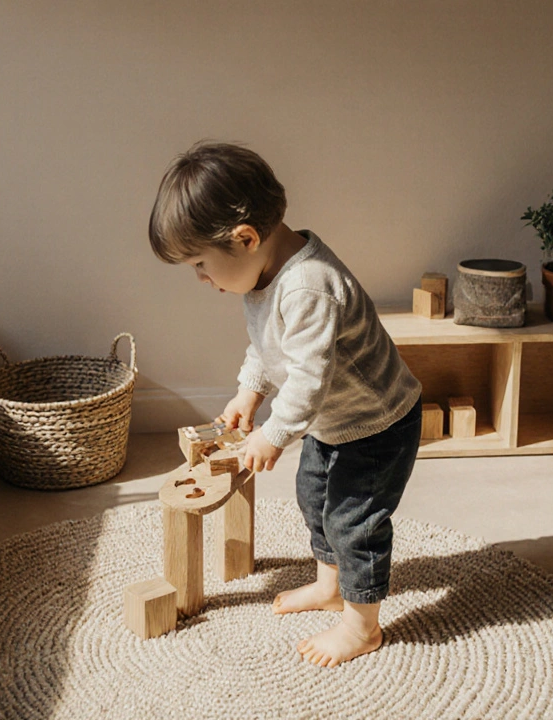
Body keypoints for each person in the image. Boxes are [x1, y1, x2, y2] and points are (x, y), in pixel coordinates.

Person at [148, 141, 423, 667]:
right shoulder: (264, 275)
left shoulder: (308, 287)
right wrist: (247, 394)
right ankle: (330, 586)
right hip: (333, 422)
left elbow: (308, 379)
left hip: (376, 423)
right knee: (314, 496)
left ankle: (363, 626)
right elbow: (269, 346)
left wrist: (273, 433)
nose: (203, 280)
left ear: (245, 238)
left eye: (201, 265)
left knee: (353, 520)